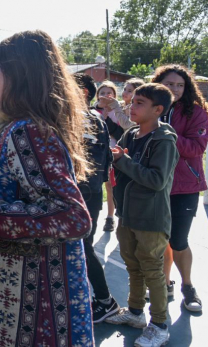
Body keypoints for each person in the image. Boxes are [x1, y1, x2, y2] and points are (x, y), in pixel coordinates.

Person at [0, 30, 94, 347]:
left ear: (20, 74)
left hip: (31, 300)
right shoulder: (11, 127)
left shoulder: (29, 131)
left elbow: (72, 217)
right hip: (9, 288)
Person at [105, 83, 179, 347]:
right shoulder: (131, 134)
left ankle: (159, 325)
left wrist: (122, 161)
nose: (131, 107)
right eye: (132, 101)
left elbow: (157, 180)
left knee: (152, 270)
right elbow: (122, 165)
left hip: (151, 218)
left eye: (139, 103)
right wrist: (115, 158)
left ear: (158, 109)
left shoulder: (164, 140)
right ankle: (136, 312)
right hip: (127, 214)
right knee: (132, 265)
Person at [152, 64, 208, 312]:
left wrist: (165, 130)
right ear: (159, 85)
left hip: (184, 186)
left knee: (178, 240)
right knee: (158, 240)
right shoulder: (150, 106)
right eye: (169, 84)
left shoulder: (196, 112)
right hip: (153, 184)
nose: (175, 89)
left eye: (180, 85)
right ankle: (165, 285)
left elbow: (196, 148)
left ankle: (188, 287)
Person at [73, 74, 120, 323]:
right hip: (85, 194)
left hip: (84, 194)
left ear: (82, 93)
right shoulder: (91, 118)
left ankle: (104, 301)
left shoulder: (86, 119)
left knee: (83, 247)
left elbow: (86, 165)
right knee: (80, 247)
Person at [94, 80, 120, 233]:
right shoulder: (93, 111)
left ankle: (110, 217)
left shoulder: (119, 112)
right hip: (99, 153)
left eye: (109, 93)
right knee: (100, 186)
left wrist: (107, 118)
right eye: (102, 93)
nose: (105, 96)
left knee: (111, 186)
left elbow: (118, 132)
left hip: (115, 152)